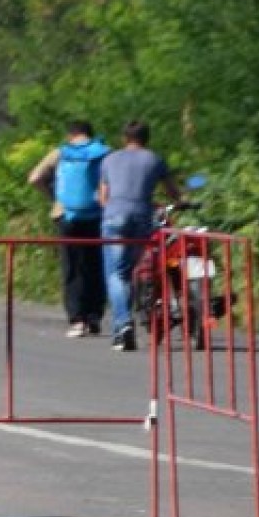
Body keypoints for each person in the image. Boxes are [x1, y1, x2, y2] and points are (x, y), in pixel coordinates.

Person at [98, 120, 179, 353]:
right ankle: (123, 326)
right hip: (142, 218)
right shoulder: (154, 159)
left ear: (124, 138)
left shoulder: (109, 159)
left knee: (117, 274)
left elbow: (104, 198)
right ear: (147, 138)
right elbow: (173, 192)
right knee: (127, 270)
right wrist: (179, 201)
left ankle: (123, 325)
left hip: (114, 218)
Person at [27, 121, 110, 337]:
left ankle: (77, 319)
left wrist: (53, 196)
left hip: (64, 215)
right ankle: (94, 317)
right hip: (96, 215)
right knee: (94, 264)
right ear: (91, 134)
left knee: (72, 266)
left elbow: (34, 178)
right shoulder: (103, 152)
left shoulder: (60, 153)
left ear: (70, 135)